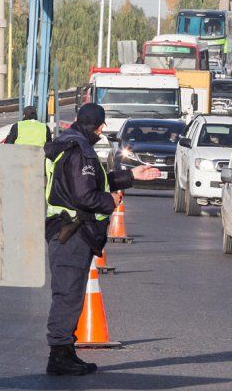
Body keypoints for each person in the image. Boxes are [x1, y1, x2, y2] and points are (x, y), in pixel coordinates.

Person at [43, 104, 159, 376]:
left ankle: (65, 350)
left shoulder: (66, 144)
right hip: (71, 231)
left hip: (64, 229)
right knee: (68, 295)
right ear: (98, 125)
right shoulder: (80, 150)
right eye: (101, 126)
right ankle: (59, 354)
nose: (101, 131)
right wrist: (110, 201)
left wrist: (130, 176)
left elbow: (95, 182)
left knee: (68, 293)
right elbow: (85, 195)